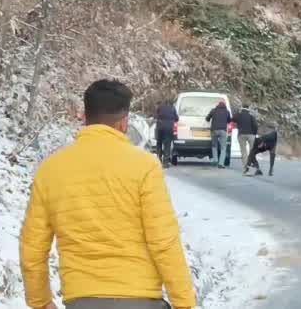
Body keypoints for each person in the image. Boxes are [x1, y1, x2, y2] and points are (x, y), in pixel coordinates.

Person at [20, 79, 196, 309]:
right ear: (124, 123)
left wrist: (41, 302)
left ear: (84, 117)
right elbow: (164, 242)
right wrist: (185, 304)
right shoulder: (144, 166)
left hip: (80, 299)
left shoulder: (50, 170)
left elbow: (32, 247)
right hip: (140, 298)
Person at [205, 99, 232, 169]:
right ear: (225, 105)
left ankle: (215, 160)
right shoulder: (227, 111)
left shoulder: (213, 110)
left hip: (214, 130)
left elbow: (207, 118)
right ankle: (220, 163)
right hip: (223, 131)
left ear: (218, 104)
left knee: (214, 145)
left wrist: (210, 119)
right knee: (223, 147)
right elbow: (229, 121)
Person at [155, 99, 179, 168]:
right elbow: (176, 118)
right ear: (171, 103)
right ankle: (165, 163)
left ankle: (158, 160)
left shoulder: (160, 107)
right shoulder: (172, 108)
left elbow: (156, 116)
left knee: (159, 143)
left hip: (160, 127)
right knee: (167, 145)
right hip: (168, 128)